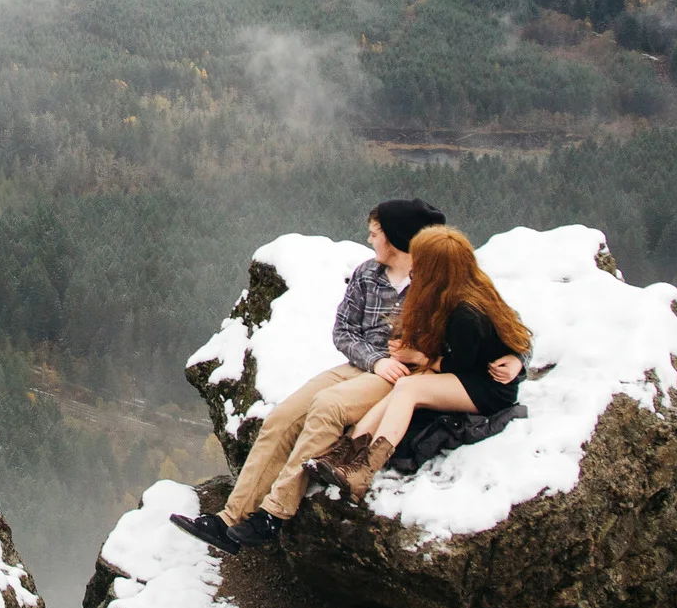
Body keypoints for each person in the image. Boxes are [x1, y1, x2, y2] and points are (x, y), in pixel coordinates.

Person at [170, 199, 519, 553]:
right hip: (364, 365)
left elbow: (498, 326)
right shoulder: (368, 274)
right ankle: (229, 519)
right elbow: (343, 331)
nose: (369, 240)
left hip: (403, 372)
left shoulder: (437, 278)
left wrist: (516, 358)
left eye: (375, 234)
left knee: (329, 407)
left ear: (396, 237)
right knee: (282, 418)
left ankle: (274, 514)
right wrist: (374, 360)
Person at [317, 225, 531, 500]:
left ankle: (364, 470)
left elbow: (460, 365)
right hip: (469, 375)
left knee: (409, 389)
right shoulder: (465, 288)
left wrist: (419, 358)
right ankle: (344, 453)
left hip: (486, 387)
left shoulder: (466, 313)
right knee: (404, 388)